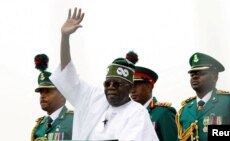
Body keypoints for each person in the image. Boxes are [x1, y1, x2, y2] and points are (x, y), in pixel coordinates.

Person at [50, 7, 159, 141]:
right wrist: (65, 38)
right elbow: (68, 75)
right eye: (107, 83)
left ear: (130, 88)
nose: (111, 87)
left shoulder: (137, 113)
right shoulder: (93, 98)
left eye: (118, 84)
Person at [176, 52, 230, 141]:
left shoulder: (229, 102)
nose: (194, 77)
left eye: (201, 73)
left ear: (215, 77)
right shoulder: (184, 110)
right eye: (192, 74)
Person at [31, 54, 73, 141]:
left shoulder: (74, 121)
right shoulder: (39, 126)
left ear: (62, 94)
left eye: (47, 91)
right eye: (41, 92)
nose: (42, 95)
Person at [130, 64, 178, 141]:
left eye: (136, 85)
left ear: (149, 86)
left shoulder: (164, 113)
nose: (132, 90)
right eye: (130, 86)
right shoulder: (130, 114)